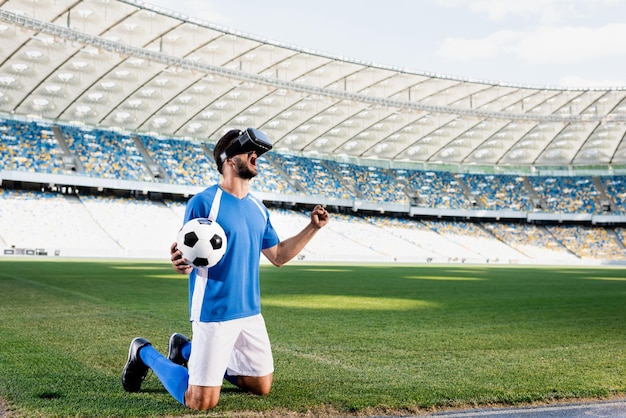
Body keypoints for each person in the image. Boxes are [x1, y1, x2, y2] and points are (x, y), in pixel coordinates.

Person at [121, 127, 329, 410]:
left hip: (250, 312)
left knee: (260, 386)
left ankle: (183, 348)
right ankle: (143, 352)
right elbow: (185, 255)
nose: (256, 156)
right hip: (214, 312)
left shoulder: (258, 207)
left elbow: (278, 255)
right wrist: (179, 263)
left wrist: (312, 228)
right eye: (249, 152)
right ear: (229, 161)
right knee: (201, 401)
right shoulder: (204, 203)